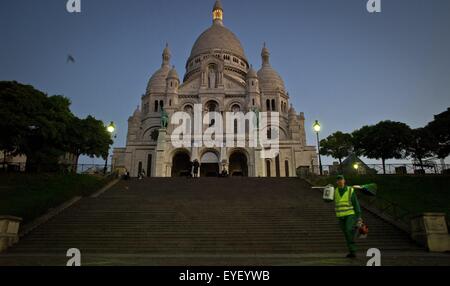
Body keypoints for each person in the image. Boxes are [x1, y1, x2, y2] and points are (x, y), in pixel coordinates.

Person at [334, 175, 362, 258]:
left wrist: (359, 215)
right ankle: (352, 251)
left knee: (348, 229)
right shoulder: (335, 191)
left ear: (344, 181)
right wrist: (328, 190)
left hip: (350, 214)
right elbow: (327, 200)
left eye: (341, 179)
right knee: (346, 233)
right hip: (340, 216)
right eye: (338, 180)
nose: (340, 181)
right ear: (336, 182)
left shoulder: (350, 190)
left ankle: (353, 249)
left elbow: (355, 203)